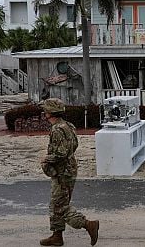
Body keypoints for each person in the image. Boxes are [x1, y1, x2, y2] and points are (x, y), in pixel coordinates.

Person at [39, 98, 99, 246]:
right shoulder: (68, 125)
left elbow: (61, 153)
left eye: (45, 110)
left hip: (62, 172)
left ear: (50, 112)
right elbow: (73, 146)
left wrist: (46, 159)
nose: (44, 112)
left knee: (59, 206)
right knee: (57, 203)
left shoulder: (57, 129)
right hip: (68, 169)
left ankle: (87, 224)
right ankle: (57, 236)